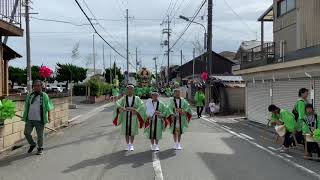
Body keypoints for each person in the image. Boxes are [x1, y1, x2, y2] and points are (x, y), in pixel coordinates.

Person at [22, 80, 54, 155]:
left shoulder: (44, 95)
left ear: (41, 87)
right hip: (30, 119)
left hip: (40, 119)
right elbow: (27, 106)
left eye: (38, 86)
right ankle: (32, 144)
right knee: (26, 133)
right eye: (35, 85)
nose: (36, 87)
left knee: (40, 135)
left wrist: (49, 116)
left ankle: (40, 148)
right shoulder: (30, 95)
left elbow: (48, 107)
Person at [113, 84, 145, 151]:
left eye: (131, 89)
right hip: (125, 116)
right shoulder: (124, 98)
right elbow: (117, 103)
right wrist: (120, 108)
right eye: (128, 89)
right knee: (126, 131)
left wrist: (136, 110)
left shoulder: (137, 98)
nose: (130, 90)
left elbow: (142, 105)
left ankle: (131, 144)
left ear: (133, 90)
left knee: (132, 131)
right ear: (127, 90)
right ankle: (128, 144)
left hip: (133, 116)